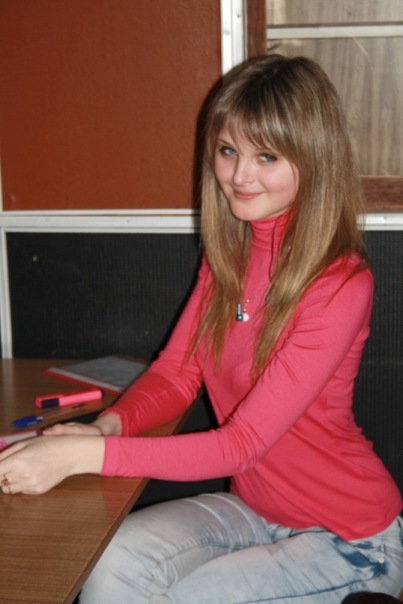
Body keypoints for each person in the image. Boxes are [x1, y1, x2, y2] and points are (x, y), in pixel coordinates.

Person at [0, 54, 402, 603]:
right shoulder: (228, 258)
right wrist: (107, 428)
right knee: (110, 565)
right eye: (228, 150)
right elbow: (176, 374)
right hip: (258, 510)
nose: (239, 175)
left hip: (349, 538)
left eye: (267, 156)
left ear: (314, 159)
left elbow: (240, 445)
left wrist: (81, 459)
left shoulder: (339, 283)